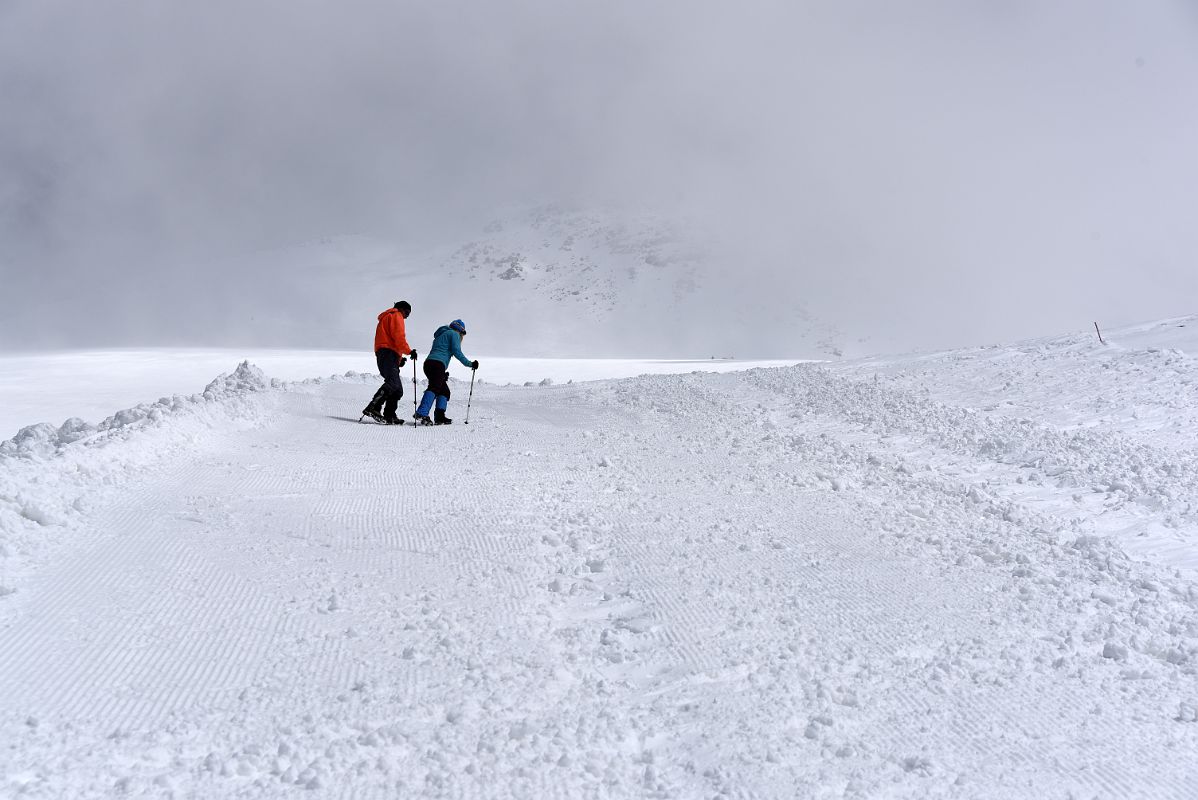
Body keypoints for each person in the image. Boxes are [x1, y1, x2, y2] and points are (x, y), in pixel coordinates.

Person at [361, 301, 417, 424]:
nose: (407, 316)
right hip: (388, 354)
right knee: (393, 383)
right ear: (402, 309)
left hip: (387, 354)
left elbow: (389, 339)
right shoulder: (396, 315)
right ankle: (373, 407)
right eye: (407, 312)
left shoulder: (386, 318)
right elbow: (398, 337)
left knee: (397, 389)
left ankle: (389, 415)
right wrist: (409, 351)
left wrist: (399, 359)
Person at [415, 318, 478, 425]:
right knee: (434, 387)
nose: (462, 337)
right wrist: (470, 364)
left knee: (444, 391)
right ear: (460, 330)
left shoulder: (442, 334)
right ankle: (422, 412)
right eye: (462, 333)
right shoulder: (454, 334)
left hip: (430, 364)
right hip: (437, 364)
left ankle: (439, 417)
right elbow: (457, 352)